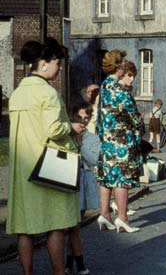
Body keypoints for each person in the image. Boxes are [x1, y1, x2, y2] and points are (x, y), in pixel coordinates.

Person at [7, 38, 85, 275]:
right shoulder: (49, 94)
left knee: (24, 228)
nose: (59, 68)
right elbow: (54, 130)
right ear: (43, 64)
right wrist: (71, 127)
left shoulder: (17, 93)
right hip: (50, 167)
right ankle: (58, 272)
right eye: (57, 63)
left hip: (23, 167)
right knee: (56, 225)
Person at [97, 59, 143, 233]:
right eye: (128, 74)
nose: (131, 78)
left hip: (107, 139)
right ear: (120, 70)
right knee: (121, 179)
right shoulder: (121, 90)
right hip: (122, 141)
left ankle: (104, 214)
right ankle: (123, 218)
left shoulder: (105, 85)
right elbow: (135, 118)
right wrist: (140, 125)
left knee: (106, 177)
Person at [68, 103, 100, 275]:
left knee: (75, 226)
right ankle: (75, 264)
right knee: (69, 226)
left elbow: (94, 160)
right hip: (65, 180)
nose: (82, 121)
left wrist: (81, 147)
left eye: (86, 118)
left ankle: (72, 264)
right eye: (79, 117)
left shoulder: (93, 138)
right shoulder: (66, 134)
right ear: (72, 116)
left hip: (82, 181)